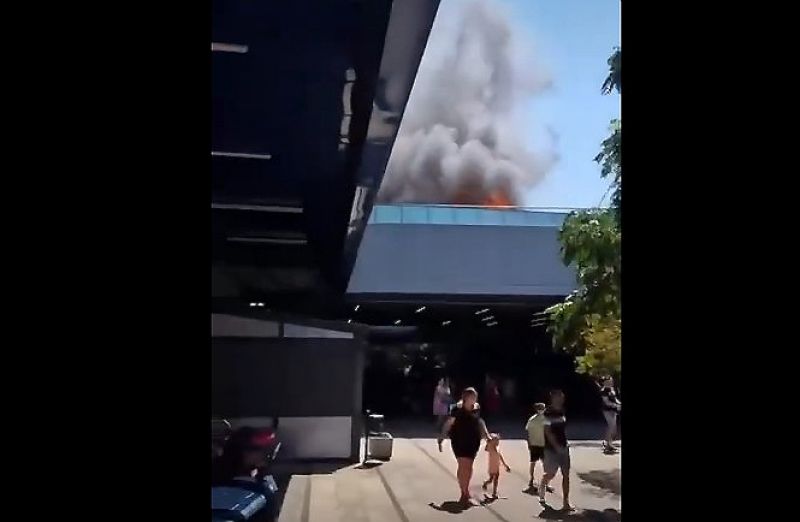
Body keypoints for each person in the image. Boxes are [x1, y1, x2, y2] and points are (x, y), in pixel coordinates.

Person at [438, 387, 491, 505]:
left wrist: (487, 435)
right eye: (472, 397)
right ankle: (464, 492)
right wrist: (441, 437)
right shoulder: (457, 409)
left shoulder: (477, 408)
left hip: (473, 441)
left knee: (469, 467)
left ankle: (465, 489)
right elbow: (449, 423)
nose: (474, 399)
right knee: (463, 465)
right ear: (465, 398)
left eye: (475, 397)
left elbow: (480, 422)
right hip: (459, 440)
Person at [539, 390, 573, 512]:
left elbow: (561, 430)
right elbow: (547, 432)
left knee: (566, 474)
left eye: (562, 397)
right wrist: (556, 446)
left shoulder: (562, 411)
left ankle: (566, 502)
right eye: (559, 397)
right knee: (550, 473)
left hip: (564, 446)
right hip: (551, 449)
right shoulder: (547, 413)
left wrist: (564, 444)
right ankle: (543, 484)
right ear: (553, 398)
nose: (561, 399)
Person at [525, 402, 550, 491]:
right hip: (542, 444)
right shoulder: (546, 419)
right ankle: (545, 483)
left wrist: (529, 443)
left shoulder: (532, 419)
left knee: (533, 463)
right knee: (545, 464)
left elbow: (527, 432)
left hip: (535, 444)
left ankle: (532, 481)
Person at [481, 433, 511, 498]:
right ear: (493, 442)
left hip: (496, 466)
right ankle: (491, 490)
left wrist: (505, 465)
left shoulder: (497, 448)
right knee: (492, 479)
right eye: (497, 441)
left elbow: (500, 457)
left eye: (498, 441)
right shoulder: (490, 448)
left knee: (494, 479)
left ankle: (492, 491)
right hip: (492, 466)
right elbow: (486, 449)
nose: (498, 442)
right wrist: (488, 442)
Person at [600, 377, 621, 453]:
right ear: (604, 383)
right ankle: (607, 444)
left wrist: (619, 403)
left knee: (613, 428)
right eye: (608, 382)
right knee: (611, 427)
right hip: (607, 411)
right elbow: (606, 402)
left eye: (611, 381)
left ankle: (609, 443)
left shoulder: (612, 389)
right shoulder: (603, 391)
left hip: (613, 411)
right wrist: (616, 405)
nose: (610, 383)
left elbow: (615, 399)